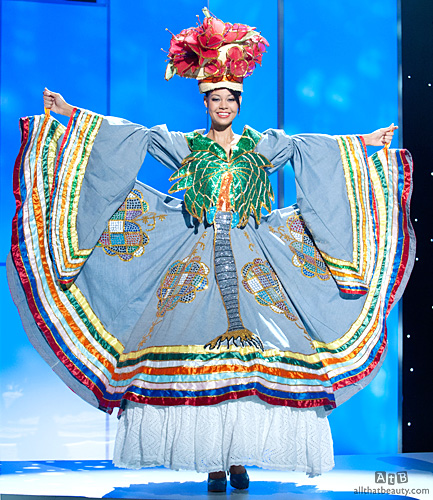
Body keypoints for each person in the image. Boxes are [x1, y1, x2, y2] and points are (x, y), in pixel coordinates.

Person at [7, 9, 414, 493]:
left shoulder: (259, 145)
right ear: (206, 101)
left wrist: (365, 142)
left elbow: (310, 150)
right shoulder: (188, 145)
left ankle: (237, 458)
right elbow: (132, 137)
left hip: (253, 256)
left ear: (239, 102)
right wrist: (71, 113)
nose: (223, 105)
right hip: (195, 256)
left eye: (230, 98)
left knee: (252, 361)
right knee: (196, 358)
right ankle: (214, 465)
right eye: (216, 98)